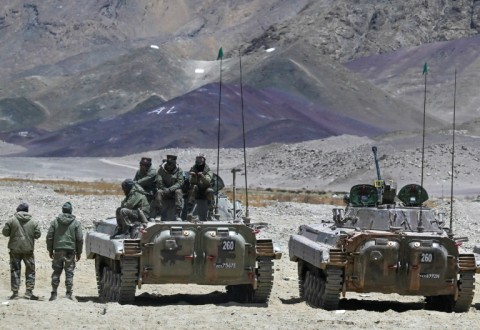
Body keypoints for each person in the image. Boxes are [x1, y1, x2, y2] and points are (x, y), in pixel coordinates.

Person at [2, 202, 41, 300]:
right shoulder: (33, 221)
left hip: (15, 249)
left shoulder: (12, 220)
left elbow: (5, 232)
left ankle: (15, 293)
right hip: (28, 249)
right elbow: (38, 235)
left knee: (15, 270)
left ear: (18, 210)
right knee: (30, 270)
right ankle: (28, 292)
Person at [46, 202, 83, 301]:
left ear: (62, 210)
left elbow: (49, 236)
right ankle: (68, 294)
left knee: (56, 271)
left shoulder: (55, 222)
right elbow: (79, 239)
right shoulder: (76, 223)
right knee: (69, 272)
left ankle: (53, 293)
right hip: (70, 251)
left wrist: (50, 249)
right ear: (71, 211)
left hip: (58, 250)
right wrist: (79, 252)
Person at [155, 155, 184, 221]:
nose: (169, 166)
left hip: (174, 191)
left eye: (171, 164)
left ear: (174, 163)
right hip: (164, 190)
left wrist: (170, 189)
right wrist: (164, 188)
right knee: (159, 192)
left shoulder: (179, 170)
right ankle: (158, 214)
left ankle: (177, 214)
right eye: (168, 164)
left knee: (179, 191)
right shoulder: (161, 170)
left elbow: (180, 182)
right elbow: (159, 181)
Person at [187, 154, 215, 220]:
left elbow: (207, 181)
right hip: (196, 190)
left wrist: (202, 176)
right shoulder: (193, 169)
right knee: (193, 187)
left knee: (210, 191)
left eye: (201, 159)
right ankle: (189, 211)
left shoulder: (208, 170)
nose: (199, 161)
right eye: (197, 159)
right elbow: (191, 181)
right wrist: (194, 176)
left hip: (205, 189)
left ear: (204, 160)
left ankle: (211, 212)